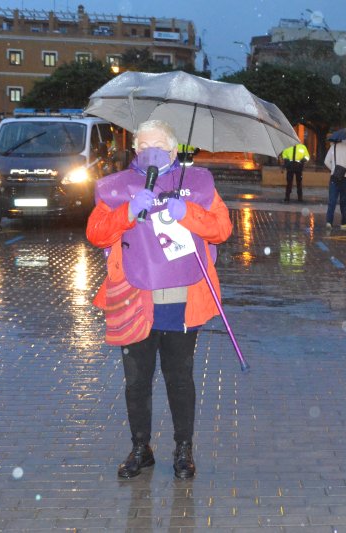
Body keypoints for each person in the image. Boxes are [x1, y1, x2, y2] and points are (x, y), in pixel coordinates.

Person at [86, 119, 232, 479]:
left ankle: (184, 450)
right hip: (134, 299)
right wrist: (127, 211)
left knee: (179, 378)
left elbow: (222, 228)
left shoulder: (197, 183)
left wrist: (190, 213)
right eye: (142, 146)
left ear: (173, 150)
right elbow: (96, 233)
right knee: (136, 380)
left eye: (158, 146)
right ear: (135, 150)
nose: (149, 153)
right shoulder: (118, 187)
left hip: (181, 300)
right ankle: (141, 448)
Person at [324, 139, 346, 229]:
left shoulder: (333, 147)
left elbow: (326, 161)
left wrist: (334, 170)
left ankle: (329, 221)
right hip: (345, 178)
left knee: (332, 200)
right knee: (344, 201)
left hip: (334, 177)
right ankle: (344, 222)